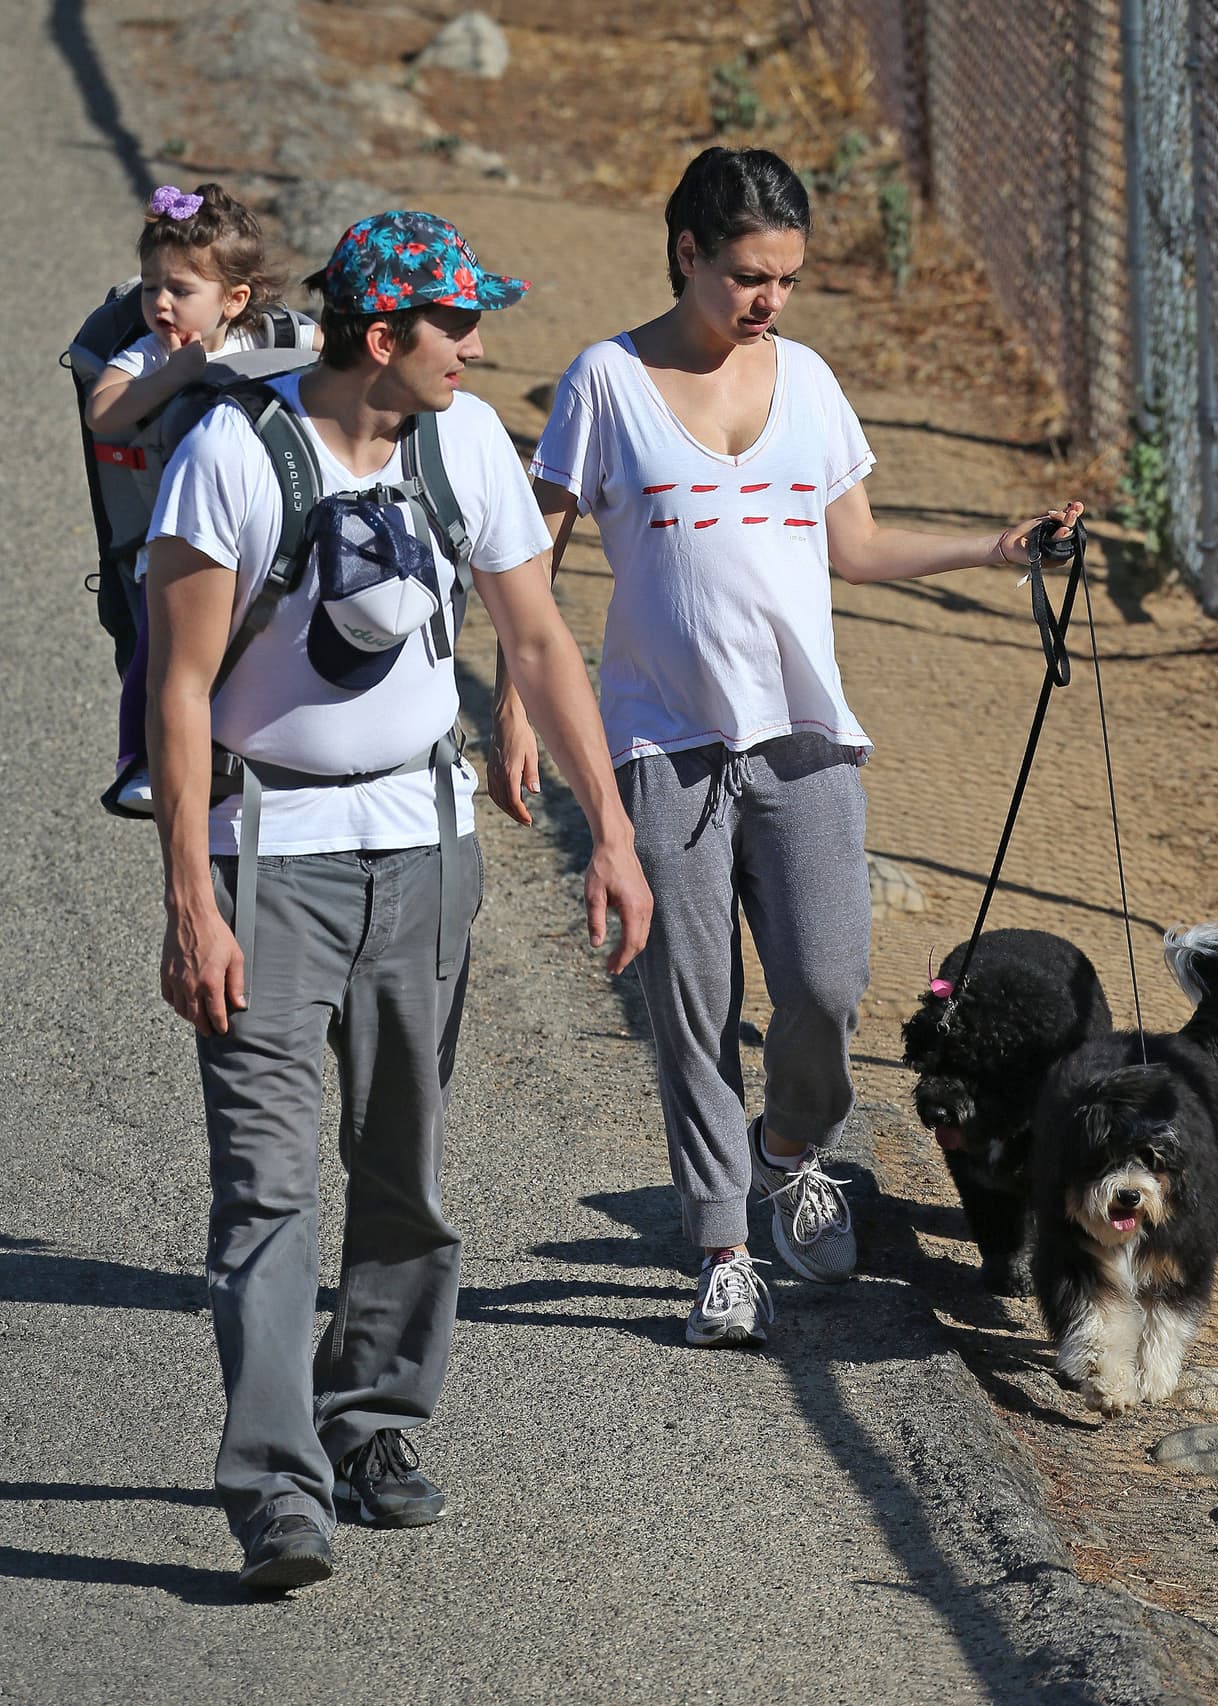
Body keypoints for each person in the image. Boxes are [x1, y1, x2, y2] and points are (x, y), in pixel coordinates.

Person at [488, 146, 1083, 1350]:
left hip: (804, 738)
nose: (768, 300)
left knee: (825, 983)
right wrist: (513, 706)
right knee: (692, 1004)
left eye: (787, 279)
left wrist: (992, 548)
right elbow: (530, 558)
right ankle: (721, 1248)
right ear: (687, 253)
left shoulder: (805, 379)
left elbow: (851, 546)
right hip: (663, 742)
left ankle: (789, 1147)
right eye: (748, 276)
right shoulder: (605, 381)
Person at [145, 208, 651, 1590]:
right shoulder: (228, 459)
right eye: (457, 327)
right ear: (383, 337)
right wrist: (191, 901)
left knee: (403, 1170)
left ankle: (367, 1422)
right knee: (266, 1190)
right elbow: (177, 691)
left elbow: (537, 639)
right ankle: (277, 1490)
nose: (476, 350)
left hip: (424, 853)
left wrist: (610, 832)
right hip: (267, 860)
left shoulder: (465, 443)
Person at [86, 182, 322, 814]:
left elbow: (334, 354)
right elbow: (102, 412)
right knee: (160, 652)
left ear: (234, 300)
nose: (160, 303)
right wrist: (172, 376)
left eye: (180, 290)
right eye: (150, 288)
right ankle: (142, 759)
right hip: (175, 540)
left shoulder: (266, 338)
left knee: (256, 647)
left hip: (262, 533)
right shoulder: (146, 356)